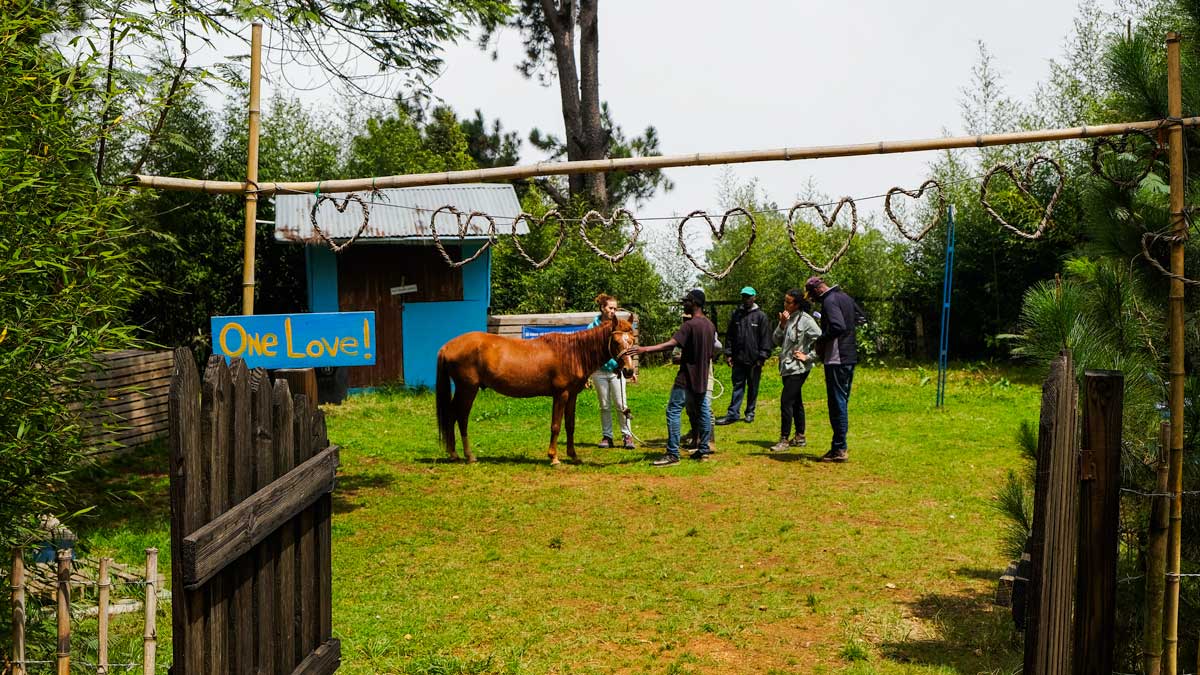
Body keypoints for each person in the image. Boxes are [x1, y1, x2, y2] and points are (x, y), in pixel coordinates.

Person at [623, 288, 715, 467]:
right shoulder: (710, 325)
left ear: (695, 302)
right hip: (702, 377)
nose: (684, 304)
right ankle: (703, 449)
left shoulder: (689, 325)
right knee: (703, 412)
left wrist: (644, 349)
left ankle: (672, 454)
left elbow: (672, 344)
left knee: (673, 411)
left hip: (686, 378)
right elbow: (709, 352)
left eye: (687, 301)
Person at [805, 276, 860, 463]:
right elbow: (860, 317)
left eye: (813, 296)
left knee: (837, 404)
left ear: (818, 290)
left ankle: (839, 448)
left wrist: (821, 340)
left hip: (836, 358)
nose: (814, 300)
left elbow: (837, 326)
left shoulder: (829, 301)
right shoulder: (845, 297)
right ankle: (839, 446)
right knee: (842, 401)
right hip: (850, 355)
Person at [770, 289, 822, 452]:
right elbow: (776, 341)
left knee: (786, 401)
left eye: (789, 302)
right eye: (785, 301)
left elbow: (821, 339)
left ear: (797, 304)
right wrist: (782, 324)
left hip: (799, 368)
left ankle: (784, 439)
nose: (785, 304)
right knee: (796, 401)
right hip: (786, 367)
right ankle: (800, 436)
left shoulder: (806, 320)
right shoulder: (787, 319)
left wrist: (809, 356)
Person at [716, 286, 773, 425]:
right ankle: (733, 414)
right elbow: (730, 336)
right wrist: (728, 354)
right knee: (737, 386)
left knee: (753, 387)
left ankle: (750, 412)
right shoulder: (736, 314)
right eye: (744, 296)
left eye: (748, 296)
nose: (746, 299)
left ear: (754, 297)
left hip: (754, 360)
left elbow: (766, 338)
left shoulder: (761, 316)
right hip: (738, 358)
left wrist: (762, 357)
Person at [588, 293, 635, 449]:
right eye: (610, 308)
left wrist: (630, 368)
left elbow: (625, 348)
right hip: (599, 371)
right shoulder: (592, 327)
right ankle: (607, 437)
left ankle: (627, 435)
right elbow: (588, 352)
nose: (613, 311)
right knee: (605, 405)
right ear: (602, 308)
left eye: (615, 308)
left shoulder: (619, 326)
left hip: (617, 370)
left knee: (621, 403)